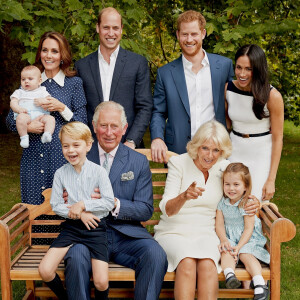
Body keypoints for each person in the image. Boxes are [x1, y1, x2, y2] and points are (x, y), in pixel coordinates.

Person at [63, 101, 168, 300]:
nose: (109, 132)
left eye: (114, 126)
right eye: (103, 126)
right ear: (94, 127)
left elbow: (145, 209)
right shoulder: (77, 156)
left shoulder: (137, 161)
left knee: (155, 254)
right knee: (76, 257)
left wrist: (114, 204)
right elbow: (66, 197)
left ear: (124, 128)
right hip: (87, 234)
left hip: (126, 235)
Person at [154, 121, 260, 300]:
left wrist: (253, 201)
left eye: (216, 150)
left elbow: (240, 193)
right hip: (174, 230)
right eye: (205, 148)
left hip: (207, 231)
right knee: (186, 262)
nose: (210, 155)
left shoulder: (224, 167)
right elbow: (167, 210)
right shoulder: (178, 163)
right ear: (196, 146)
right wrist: (184, 196)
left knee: (207, 264)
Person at [6, 31, 87, 205]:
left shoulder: (74, 84)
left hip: (62, 158)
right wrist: (27, 128)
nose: (48, 55)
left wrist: (62, 108)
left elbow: (83, 123)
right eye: (44, 50)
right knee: (33, 210)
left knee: (64, 211)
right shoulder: (29, 81)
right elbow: (9, 121)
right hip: (32, 158)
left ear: (63, 55)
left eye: (54, 51)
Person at [39, 122, 114, 300]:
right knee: (45, 270)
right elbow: (56, 205)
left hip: (95, 229)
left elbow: (108, 202)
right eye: (66, 146)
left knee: (101, 282)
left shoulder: (99, 172)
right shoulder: (60, 174)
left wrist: (83, 204)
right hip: (71, 228)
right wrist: (79, 213)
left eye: (76, 145)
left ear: (88, 145)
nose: (71, 150)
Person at [150, 10, 234, 162]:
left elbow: (235, 103)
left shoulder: (224, 66)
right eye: (184, 34)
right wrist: (157, 138)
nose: (189, 39)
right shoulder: (165, 73)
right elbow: (158, 112)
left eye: (194, 34)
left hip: (216, 150)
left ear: (203, 33)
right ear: (177, 35)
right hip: (177, 151)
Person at [75, 7, 152, 149]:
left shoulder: (137, 63)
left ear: (121, 29)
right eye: (106, 27)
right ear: (98, 28)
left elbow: (145, 107)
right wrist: (87, 140)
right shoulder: (82, 66)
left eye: (115, 28)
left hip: (128, 146)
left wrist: (131, 141)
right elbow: (80, 108)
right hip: (92, 147)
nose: (111, 33)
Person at [225, 44, 284, 202]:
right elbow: (226, 125)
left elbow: (278, 138)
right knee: (231, 203)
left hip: (261, 155)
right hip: (234, 152)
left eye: (248, 69)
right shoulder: (228, 89)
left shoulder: (273, 96)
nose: (242, 74)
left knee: (254, 204)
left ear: (258, 69)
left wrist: (271, 179)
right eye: (238, 67)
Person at [216, 162, 270, 300]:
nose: (231, 188)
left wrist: (239, 247)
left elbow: (248, 228)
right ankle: (230, 275)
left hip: (248, 239)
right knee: (226, 250)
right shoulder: (222, 202)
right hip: (231, 238)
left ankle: (259, 283)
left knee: (245, 254)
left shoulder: (247, 203)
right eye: (227, 184)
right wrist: (224, 240)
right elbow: (220, 225)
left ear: (245, 186)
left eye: (236, 184)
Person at [10, 65, 55, 148]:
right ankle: (24, 137)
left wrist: (44, 101)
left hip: (41, 115)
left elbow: (50, 101)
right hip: (26, 115)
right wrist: (18, 109)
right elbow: (13, 102)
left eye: (30, 79)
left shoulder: (43, 91)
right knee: (20, 119)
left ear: (39, 81)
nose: (26, 81)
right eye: (23, 79)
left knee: (51, 119)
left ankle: (47, 134)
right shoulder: (19, 92)